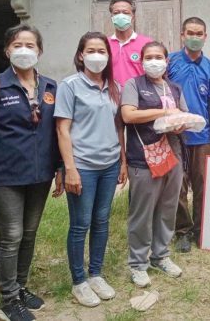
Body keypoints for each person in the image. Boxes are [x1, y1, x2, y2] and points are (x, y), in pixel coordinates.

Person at [0, 24, 63, 321]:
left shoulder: (50, 87)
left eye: (30, 45)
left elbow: (55, 132)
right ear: (8, 50)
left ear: (40, 51)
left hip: (39, 175)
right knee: (11, 235)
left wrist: (59, 167)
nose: (24, 50)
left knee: (30, 233)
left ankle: (20, 287)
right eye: (18, 44)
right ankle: (8, 299)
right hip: (4, 175)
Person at [55, 32, 128, 308]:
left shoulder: (114, 87)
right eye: (91, 50)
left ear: (108, 57)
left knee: (102, 220)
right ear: (81, 55)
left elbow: (118, 126)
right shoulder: (70, 85)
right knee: (80, 224)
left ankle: (96, 273)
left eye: (102, 50)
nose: (97, 55)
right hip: (82, 165)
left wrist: (121, 160)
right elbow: (62, 129)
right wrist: (69, 168)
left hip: (109, 164)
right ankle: (79, 281)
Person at [121, 41, 187, 288]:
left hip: (173, 155)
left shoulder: (174, 87)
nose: (154, 61)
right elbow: (128, 115)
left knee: (167, 209)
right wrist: (162, 112)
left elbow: (182, 114)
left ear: (167, 60)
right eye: (149, 57)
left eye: (159, 56)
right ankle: (138, 263)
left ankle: (161, 256)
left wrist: (181, 122)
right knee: (142, 212)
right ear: (142, 61)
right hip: (144, 158)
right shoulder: (134, 85)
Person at [168, 17, 210, 253]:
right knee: (178, 184)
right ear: (182, 34)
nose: (194, 37)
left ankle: (201, 230)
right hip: (175, 135)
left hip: (201, 138)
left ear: (205, 36)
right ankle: (182, 231)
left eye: (199, 33)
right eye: (190, 32)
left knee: (202, 184)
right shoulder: (169, 62)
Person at [107, 0, 152, 87]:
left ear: (133, 17)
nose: (120, 15)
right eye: (116, 13)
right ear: (112, 17)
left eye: (125, 12)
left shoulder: (147, 43)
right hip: (110, 97)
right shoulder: (104, 44)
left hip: (139, 98)